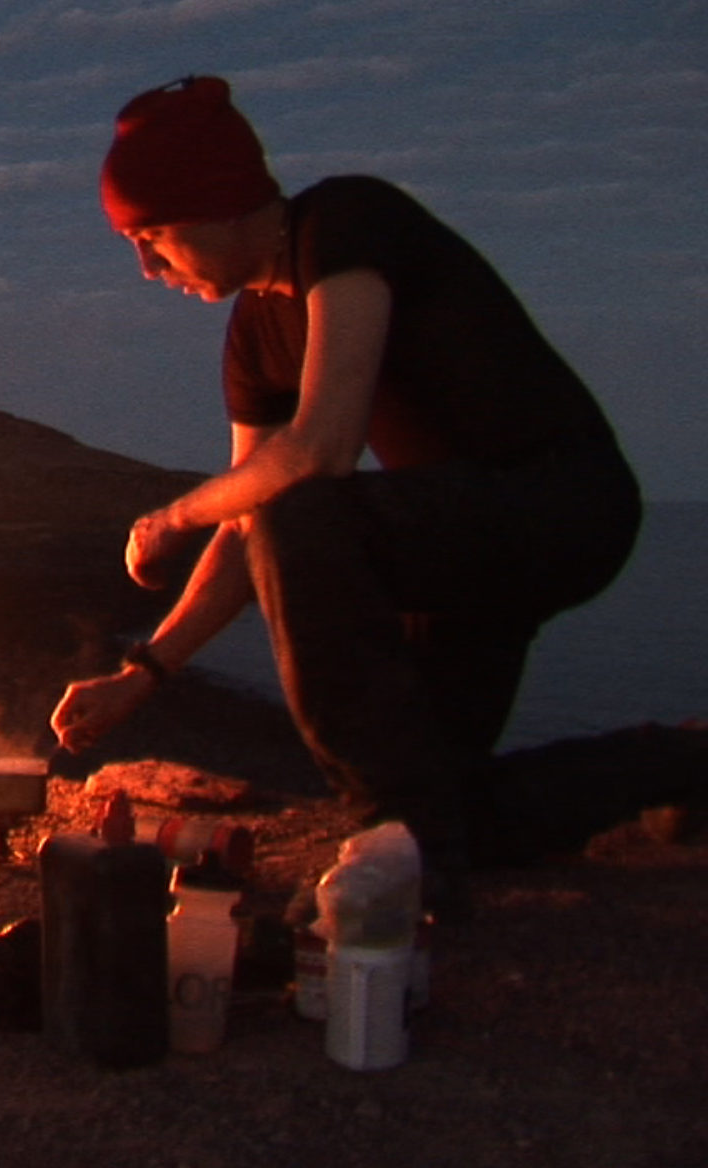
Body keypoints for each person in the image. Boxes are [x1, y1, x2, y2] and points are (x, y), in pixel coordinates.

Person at [48, 76, 642, 919]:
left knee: (305, 517)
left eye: (155, 236)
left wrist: (177, 512)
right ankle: (674, 769)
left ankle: (399, 850)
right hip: (451, 546)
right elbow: (255, 508)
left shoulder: (345, 224)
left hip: (559, 505)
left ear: (219, 201)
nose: (147, 267)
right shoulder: (254, 334)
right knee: (452, 801)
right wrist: (144, 671)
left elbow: (319, 452)